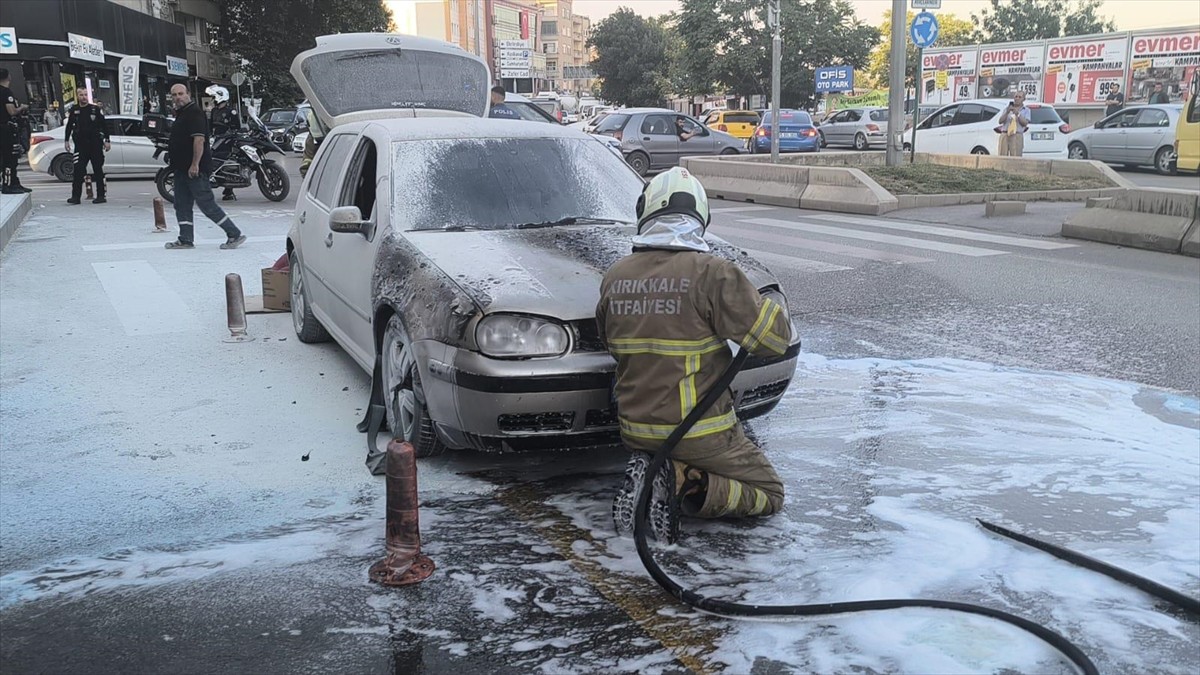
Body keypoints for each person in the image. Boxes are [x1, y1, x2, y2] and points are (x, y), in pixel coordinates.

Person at [600, 167, 793, 544]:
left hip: (634, 428)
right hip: (699, 431)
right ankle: (682, 480)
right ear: (701, 217)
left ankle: (654, 467)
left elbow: (609, 341)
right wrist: (761, 305)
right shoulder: (714, 274)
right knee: (770, 493)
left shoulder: (615, 275)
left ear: (646, 211)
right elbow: (774, 341)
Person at [164, 83, 245, 250]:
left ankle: (234, 234)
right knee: (181, 204)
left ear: (188, 94)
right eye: (174, 95)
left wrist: (195, 164)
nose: (178, 97)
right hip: (181, 169)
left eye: (181, 93)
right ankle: (185, 239)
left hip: (195, 169)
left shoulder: (194, 113)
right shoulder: (182, 113)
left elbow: (199, 140)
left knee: (206, 204)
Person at [63, 86, 111, 204]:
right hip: (80, 145)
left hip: (95, 144)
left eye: (85, 95)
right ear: (77, 96)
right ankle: (75, 197)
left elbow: (104, 125)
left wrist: (107, 140)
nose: (84, 97)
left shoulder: (94, 109)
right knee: (78, 170)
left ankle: (101, 196)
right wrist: (66, 140)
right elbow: (69, 126)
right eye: (81, 95)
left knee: (98, 170)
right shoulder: (74, 110)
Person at [206, 84, 240, 201]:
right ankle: (213, 178)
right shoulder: (214, 111)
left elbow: (237, 127)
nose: (212, 99)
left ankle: (228, 190)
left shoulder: (231, 112)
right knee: (212, 157)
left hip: (228, 140)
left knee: (226, 162)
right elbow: (210, 126)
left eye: (213, 97)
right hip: (216, 139)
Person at [1, 67, 32, 194]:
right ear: (8, 76)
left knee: (7, 156)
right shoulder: (6, 92)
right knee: (10, 157)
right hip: (6, 128)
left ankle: (14, 182)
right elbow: (11, 111)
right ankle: (8, 184)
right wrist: (22, 107)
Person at [996, 92, 1030, 157]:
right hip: (1005, 134)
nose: (1017, 99)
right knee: (1002, 156)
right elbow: (1000, 121)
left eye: (1019, 97)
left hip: (1016, 135)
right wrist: (1007, 112)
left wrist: (1018, 114)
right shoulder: (1007, 108)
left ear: (1024, 99)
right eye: (1016, 97)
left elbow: (1025, 123)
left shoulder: (1026, 110)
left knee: (1016, 156)